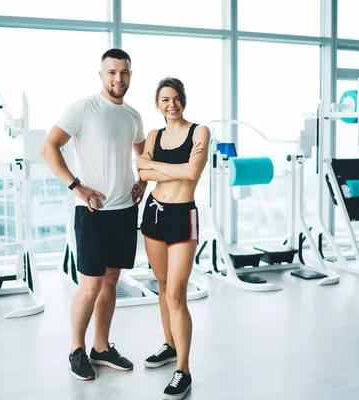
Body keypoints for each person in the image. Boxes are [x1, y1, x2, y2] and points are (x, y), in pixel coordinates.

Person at [40, 48, 146, 381]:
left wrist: (142, 180)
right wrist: (76, 186)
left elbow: (141, 154)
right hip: (93, 212)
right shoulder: (84, 108)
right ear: (101, 75)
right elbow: (49, 146)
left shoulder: (133, 115)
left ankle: (101, 348)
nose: (119, 78)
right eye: (112, 72)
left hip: (124, 211)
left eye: (125, 72)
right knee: (90, 286)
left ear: (130, 75)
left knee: (112, 281)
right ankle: (77, 350)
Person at [137, 77, 210, 400]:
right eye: (165, 99)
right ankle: (169, 345)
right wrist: (167, 167)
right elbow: (141, 173)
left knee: (177, 295)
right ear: (157, 104)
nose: (171, 104)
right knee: (163, 286)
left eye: (176, 98)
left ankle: (183, 370)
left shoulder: (200, 132)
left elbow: (193, 174)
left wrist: (155, 166)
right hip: (153, 214)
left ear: (184, 100)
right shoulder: (154, 135)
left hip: (183, 217)